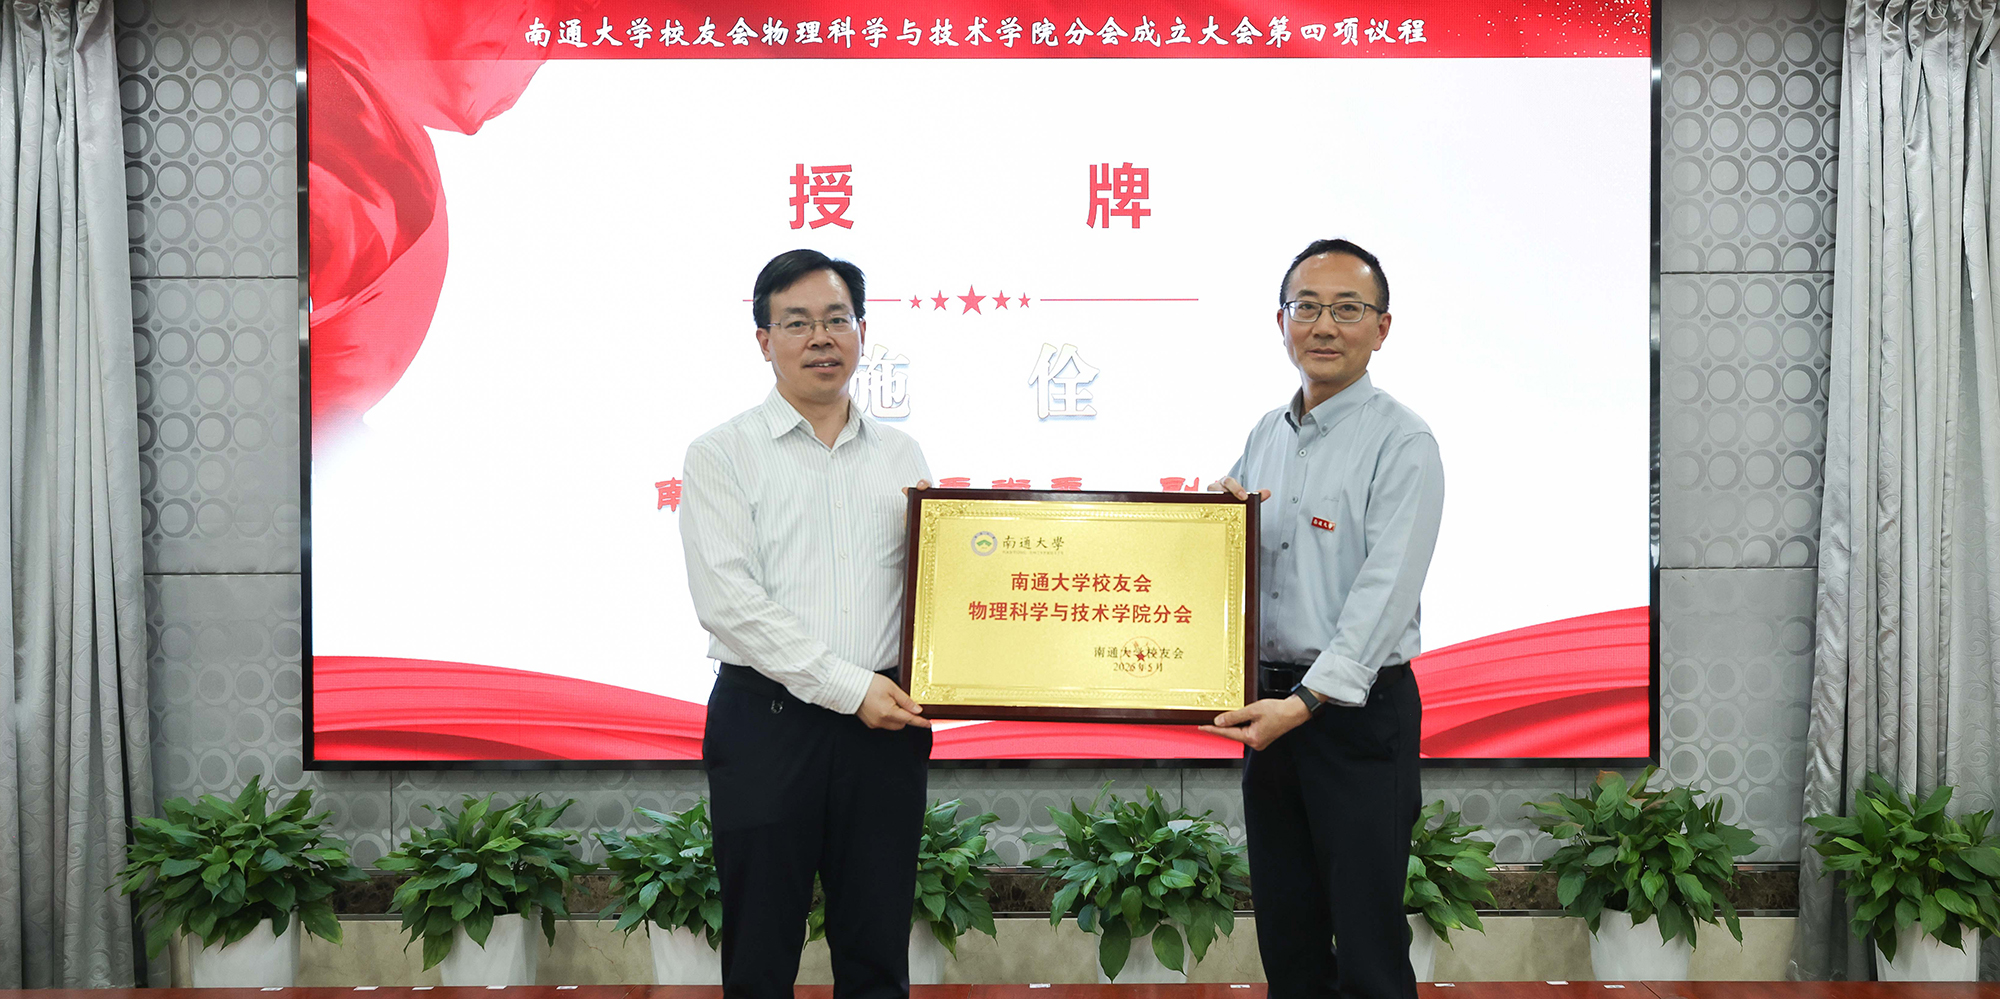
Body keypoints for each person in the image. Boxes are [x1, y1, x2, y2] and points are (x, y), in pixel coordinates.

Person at [679, 248, 933, 999]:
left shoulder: (903, 455)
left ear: (862, 331)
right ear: (765, 341)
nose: (821, 337)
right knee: (760, 957)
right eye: (796, 323)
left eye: (836, 319)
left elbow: (933, 586)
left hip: (884, 732)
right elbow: (728, 601)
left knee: (877, 953)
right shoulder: (721, 455)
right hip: (768, 726)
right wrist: (849, 687)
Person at [1199, 238, 1445, 999]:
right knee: (1289, 934)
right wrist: (1210, 525)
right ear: (1281, 322)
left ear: (1382, 327)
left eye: (1347, 308)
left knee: (1369, 943)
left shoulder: (1403, 441)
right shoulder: (1265, 434)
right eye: (1306, 307)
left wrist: (1307, 701)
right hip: (1271, 709)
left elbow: (1384, 595)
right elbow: (1231, 566)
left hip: (1354, 717)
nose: (1324, 326)